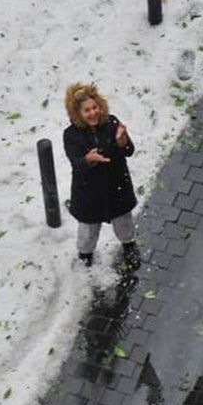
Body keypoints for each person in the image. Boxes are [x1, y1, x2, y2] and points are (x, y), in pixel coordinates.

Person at [62, 82, 139, 268]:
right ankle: (85, 253)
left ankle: (129, 245)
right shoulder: (71, 135)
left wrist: (122, 142)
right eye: (86, 110)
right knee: (88, 230)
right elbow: (76, 164)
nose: (93, 113)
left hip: (116, 186)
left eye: (95, 107)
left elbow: (129, 150)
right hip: (89, 192)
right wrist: (88, 159)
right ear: (77, 113)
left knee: (123, 222)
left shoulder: (112, 123)